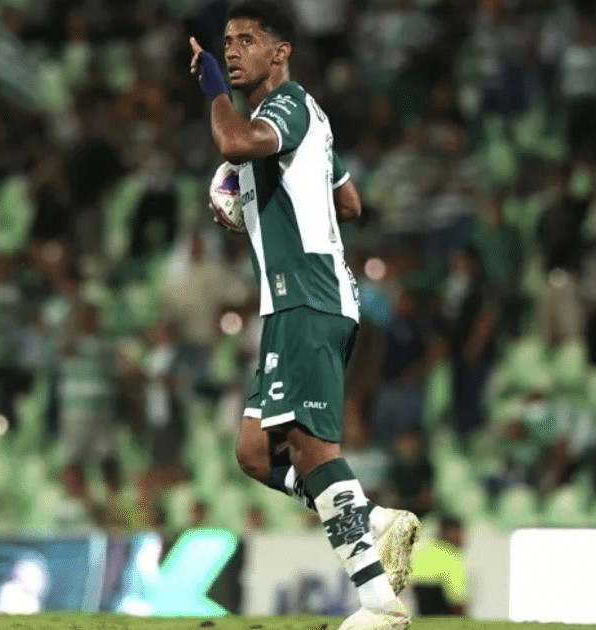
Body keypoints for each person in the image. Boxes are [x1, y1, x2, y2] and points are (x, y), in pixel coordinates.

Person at [188, 2, 416, 628]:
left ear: (280, 52)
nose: (232, 50)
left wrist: (211, 85)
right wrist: (264, 202)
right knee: (255, 453)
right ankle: (369, 518)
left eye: (247, 41)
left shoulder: (283, 107)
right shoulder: (309, 116)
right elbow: (350, 201)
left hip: (307, 299)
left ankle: (378, 606)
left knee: (314, 451)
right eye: (226, 42)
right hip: (295, 301)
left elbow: (235, 141)